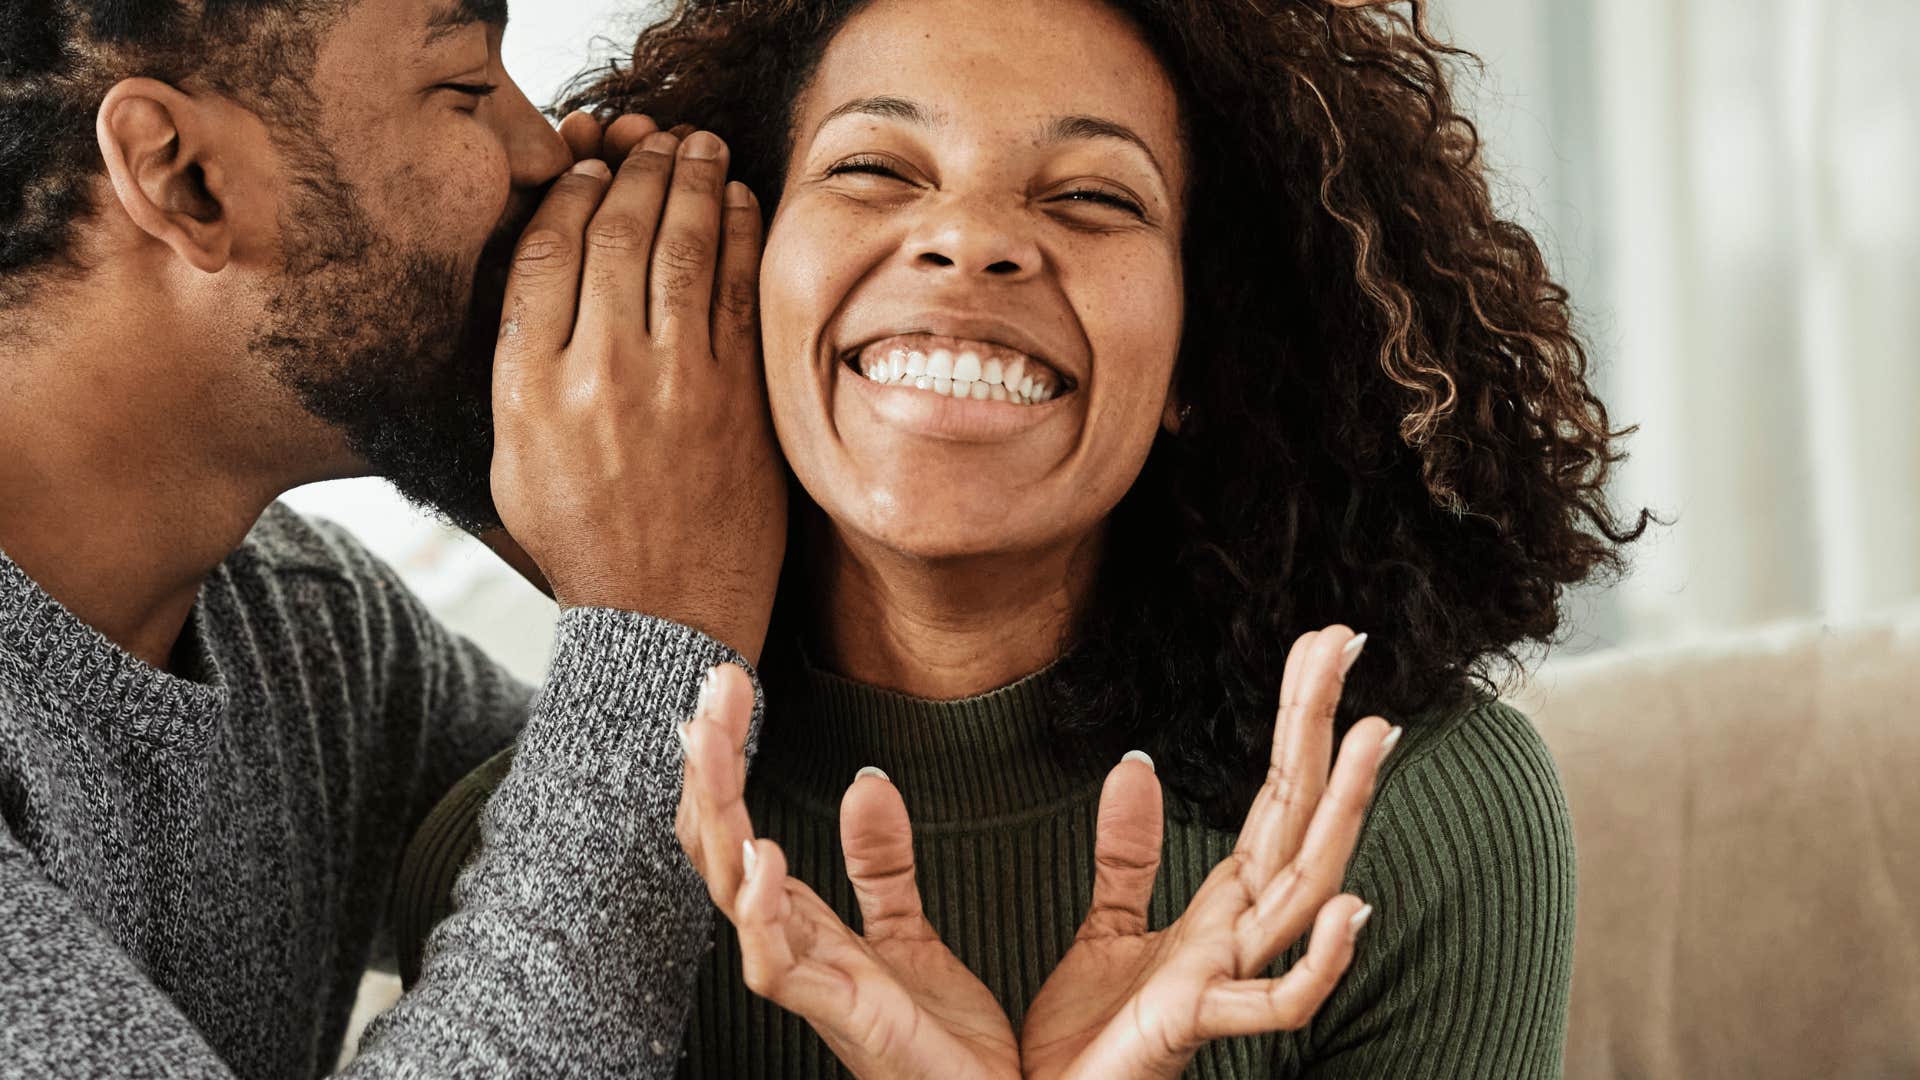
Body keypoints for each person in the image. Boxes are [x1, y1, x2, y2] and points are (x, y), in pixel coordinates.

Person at [399, 0, 1650, 1075]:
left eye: (1097, 197)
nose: (971, 238)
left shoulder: (1408, 816)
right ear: (739, 278)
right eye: (875, 170)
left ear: (1200, 354)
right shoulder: (525, 873)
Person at [0, 0, 785, 1076]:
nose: (542, 148)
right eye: (464, 88)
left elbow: (701, 898)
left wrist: (604, 503)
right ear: (185, 177)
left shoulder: (311, 630)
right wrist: (656, 623)